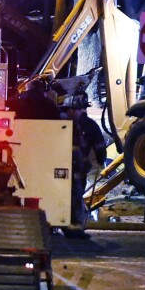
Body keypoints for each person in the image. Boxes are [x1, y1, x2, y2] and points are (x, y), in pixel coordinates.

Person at [64, 93, 107, 238]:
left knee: (76, 196)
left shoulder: (86, 125)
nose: (70, 112)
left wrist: (100, 159)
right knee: (72, 196)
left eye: (72, 109)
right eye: (69, 110)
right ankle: (71, 226)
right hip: (70, 168)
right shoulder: (68, 124)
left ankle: (75, 227)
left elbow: (99, 145)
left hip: (78, 168)